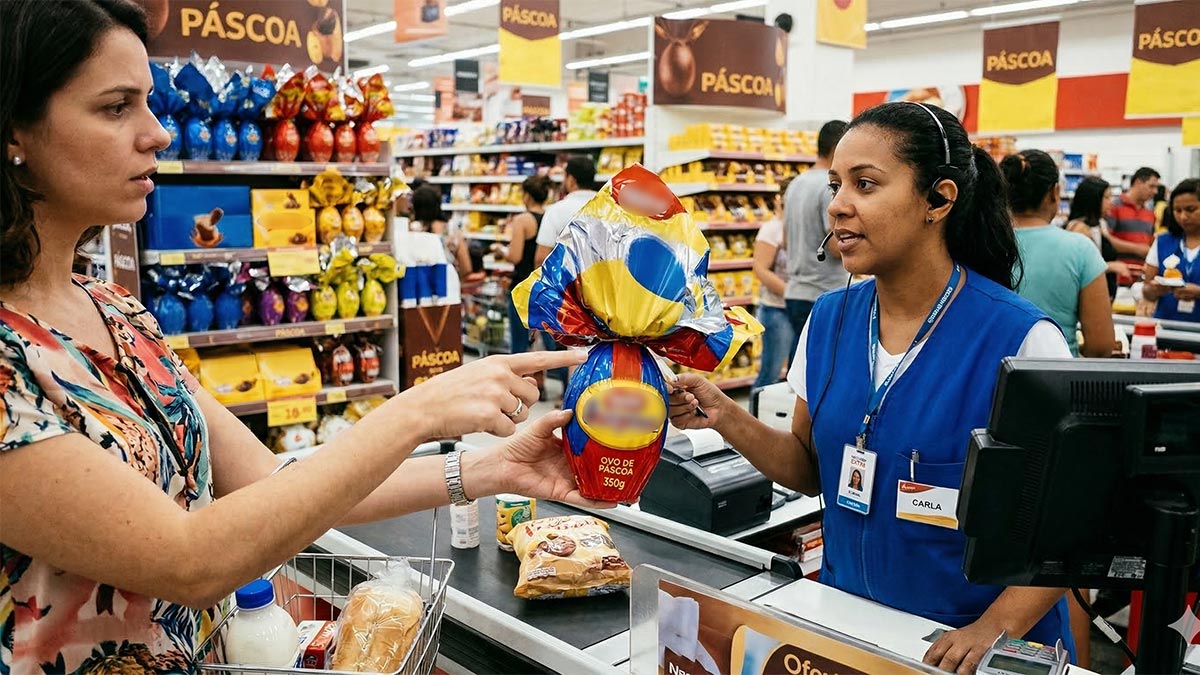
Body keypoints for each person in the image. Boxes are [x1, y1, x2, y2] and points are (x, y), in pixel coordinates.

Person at [0, 2, 603, 671]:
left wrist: (487, 469)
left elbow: (274, 481)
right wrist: (415, 411)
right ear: (14, 130)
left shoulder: (119, 312)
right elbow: (189, 559)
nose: (159, 132)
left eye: (148, 101)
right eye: (117, 107)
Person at [669, 101, 1075, 675]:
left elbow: (1067, 532)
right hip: (851, 626)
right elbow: (809, 468)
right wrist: (723, 413)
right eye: (837, 184)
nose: (837, 204)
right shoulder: (830, 320)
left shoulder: (1021, 339)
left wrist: (991, 630)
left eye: (866, 184)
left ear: (938, 199)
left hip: (966, 647)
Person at [1001, 150, 1114, 358]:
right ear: (1054, 193)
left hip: (988, 378)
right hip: (1055, 378)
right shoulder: (1081, 249)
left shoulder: (984, 244)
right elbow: (1101, 346)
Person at [783, 120, 848, 338]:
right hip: (823, 292)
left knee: (800, 364)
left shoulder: (796, 183)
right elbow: (834, 247)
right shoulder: (828, 186)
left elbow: (785, 242)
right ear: (836, 147)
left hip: (795, 291)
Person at [499, 175, 553, 357]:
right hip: (546, 288)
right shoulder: (550, 218)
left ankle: (519, 383)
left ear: (527, 196)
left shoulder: (522, 220)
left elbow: (515, 256)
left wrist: (500, 251)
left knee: (519, 347)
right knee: (552, 345)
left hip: (522, 287)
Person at [750, 177, 795, 394]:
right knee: (770, 373)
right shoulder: (772, 229)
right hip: (778, 310)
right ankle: (750, 424)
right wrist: (793, 294)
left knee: (797, 376)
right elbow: (761, 269)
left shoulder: (808, 226)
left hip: (803, 309)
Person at [1142, 178, 1200, 322]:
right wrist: (1154, 290)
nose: (1183, 217)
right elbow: (1147, 289)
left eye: (1191, 210)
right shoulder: (1163, 241)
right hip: (1166, 328)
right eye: (1177, 210)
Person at [1066, 176, 1129, 300]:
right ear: (1093, 199)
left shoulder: (1100, 224)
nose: (1110, 202)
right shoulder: (1079, 229)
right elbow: (1079, 268)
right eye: (1106, 197)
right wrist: (1111, 266)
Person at [534, 155, 598, 266]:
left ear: (571, 180)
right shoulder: (609, 208)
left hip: (568, 280)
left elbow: (541, 258)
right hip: (603, 279)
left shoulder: (556, 211)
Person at [411, 184, 474, 281]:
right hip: (448, 288)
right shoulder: (451, 230)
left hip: (418, 288)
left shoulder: (412, 230)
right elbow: (466, 268)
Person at [1108, 166, 1161, 282]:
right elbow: (1107, 240)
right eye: (1151, 186)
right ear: (1137, 183)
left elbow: (1150, 242)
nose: (1155, 191)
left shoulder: (1150, 213)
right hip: (1119, 276)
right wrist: (1137, 249)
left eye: (1156, 188)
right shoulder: (1113, 207)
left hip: (1142, 277)